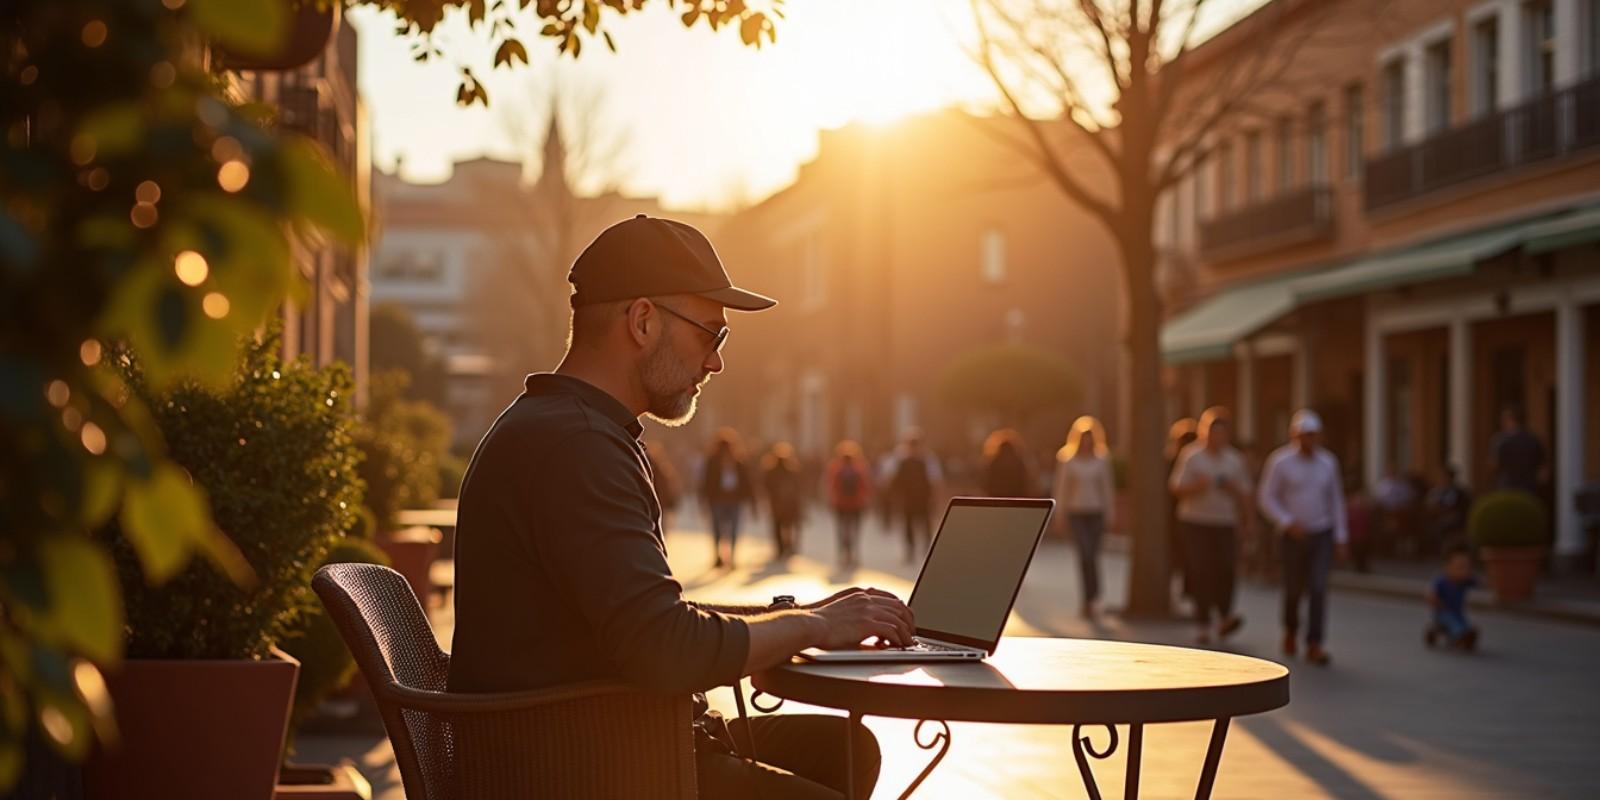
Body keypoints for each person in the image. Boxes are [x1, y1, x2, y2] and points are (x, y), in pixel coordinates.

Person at [448, 215, 909, 798]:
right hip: (583, 769)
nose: (715, 362)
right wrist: (813, 626)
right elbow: (664, 650)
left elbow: (655, 618)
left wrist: (801, 616)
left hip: (594, 742)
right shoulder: (578, 447)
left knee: (846, 749)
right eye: (711, 335)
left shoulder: (565, 427)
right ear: (643, 321)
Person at [1258, 409, 1348, 666]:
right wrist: (1286, 521)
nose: (1309, 440)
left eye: (1313, 435)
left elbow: (1336, 500)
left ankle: (1314, 642)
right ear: (1294, 435)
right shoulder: (1280, 462)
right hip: (1292, 535)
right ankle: (1290, 629)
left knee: (1318, 587)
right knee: (1293, 588)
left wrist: (1341, 536)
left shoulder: (1328, 462)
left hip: (1321, 531)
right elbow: (1267, 497)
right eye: (1305, 435)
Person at [1168, 408, 1251, 644]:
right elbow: (1176, 488)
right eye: (1214, 433)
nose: (1218, 438)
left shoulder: (1234, 460)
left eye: (1222, 434)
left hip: (1225, 522)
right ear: (1205, 433)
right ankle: (1202, 621)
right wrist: (1198, 486)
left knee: (1226, 569)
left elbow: (1246, 494)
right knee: (1201, 570)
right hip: (1195, 522)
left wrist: (1247, 519)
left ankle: (1225, 615)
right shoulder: (1192, 456)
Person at [1053, 416, 1116, 620]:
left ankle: (1093, 596)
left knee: (1093, 555)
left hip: (1095, 512)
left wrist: (1110, 513)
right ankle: (1088, 598)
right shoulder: (1068, 460)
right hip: (1076, 513)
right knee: (1084, 554)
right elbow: (1062, 489)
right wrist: (1059, 514)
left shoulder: (1102, 460)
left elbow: (1107, 489)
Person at [885, 429, 943, 564]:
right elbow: (895, 480)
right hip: (910, 499)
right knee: (910, 525)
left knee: (924, 525)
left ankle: (925, 549)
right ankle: (911, 550)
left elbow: (935, 480)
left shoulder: (927, 460)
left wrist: (935, 497)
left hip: (921, 498)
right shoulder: (905, 460)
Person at [701, 428, 756, 569]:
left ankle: (731, 556)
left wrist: (752, 501)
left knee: (733, 529)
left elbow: (747, 483)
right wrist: (704, 500)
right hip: (718, 499)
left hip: (734, 499)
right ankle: (718, 556)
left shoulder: (739, 462)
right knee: (718, 529)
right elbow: (706, 482)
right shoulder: (712, 463)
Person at [1166, 418, 1199, 604]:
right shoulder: (1171, 463)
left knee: (1187, 557)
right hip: (1176, 518)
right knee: (1180, 557)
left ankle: (1188, 592)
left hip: (1187, 517)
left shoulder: (1193, 463)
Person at [826, 441, 873, 569]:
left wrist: (832, 500)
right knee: (855, 530)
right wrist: (865, 501)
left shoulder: (835, 467)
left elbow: (831, 486)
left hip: (840, 504)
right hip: (856, 504)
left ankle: (843, 555)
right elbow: (866, 486)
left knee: (842, 530)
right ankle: (854, 554)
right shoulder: (861, 467)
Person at [1425, 545, 1480, 651]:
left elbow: (1477, 583)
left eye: (1467, 567)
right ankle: (1460, 636)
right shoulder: (1441, 581)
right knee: (1452, 622)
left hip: (1458, 612)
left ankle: (1467, 634)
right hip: (1443, 612)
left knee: (1463, 623)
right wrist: (1435, 601)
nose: (1464, 571)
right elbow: (1431, 594)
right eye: (1460, 567)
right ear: (1448, 568)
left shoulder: (1465, 582)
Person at [761, 442, 805, 561]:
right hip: (788, 504)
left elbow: (766, 486)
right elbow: (798, 488)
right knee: (787, 527)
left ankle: (781, 549)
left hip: (777, 504)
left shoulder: (771, 471)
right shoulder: (792, 470)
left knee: (778, 526)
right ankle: (787, 547)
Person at [1424, 464, 1472, 557]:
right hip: (1437, 517)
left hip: (1454, 519)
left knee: (1442, 526)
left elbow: (1458, 509)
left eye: (1445, 477)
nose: (1442, 480)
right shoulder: (1436, 491)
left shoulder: (1458, 492)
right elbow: (1429, 505)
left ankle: (1445, 552)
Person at [980, 428, 1037, 497]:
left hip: (998, 499)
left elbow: (986, 484)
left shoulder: (993, 463)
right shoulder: (1020, 463)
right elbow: (1026, 485)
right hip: (1015, 499)